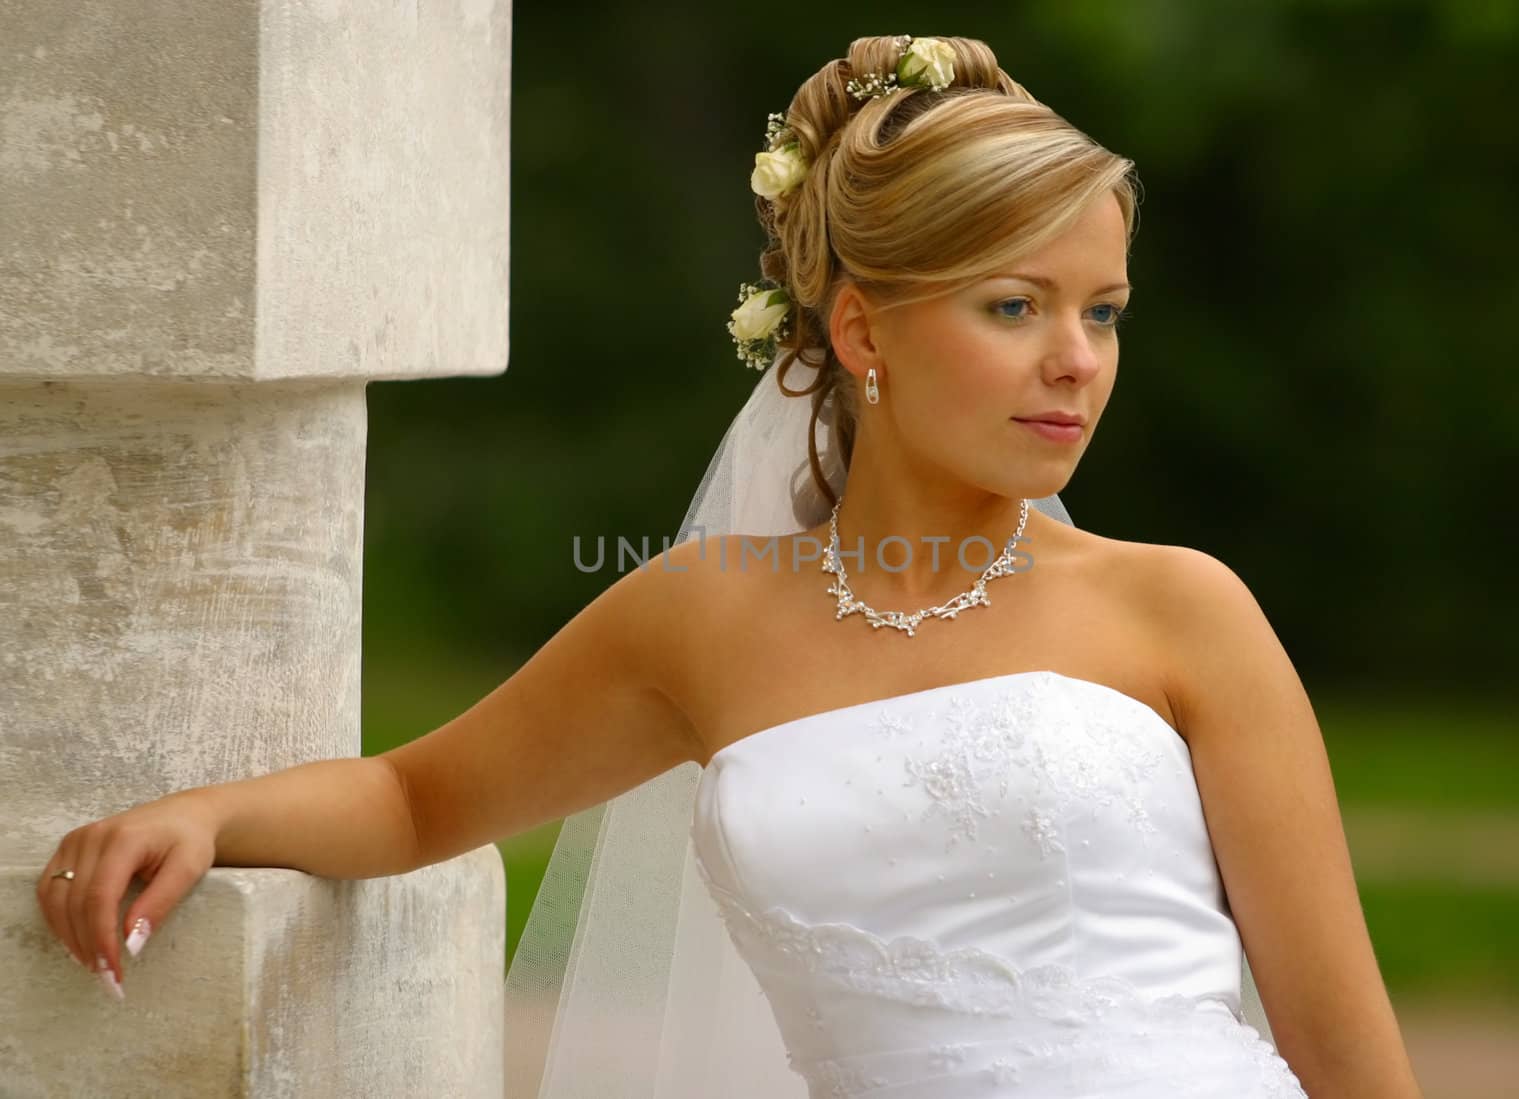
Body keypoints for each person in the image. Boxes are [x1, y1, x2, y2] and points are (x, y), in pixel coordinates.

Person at [37, 33, 1423, 1099]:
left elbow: (1348, 1058)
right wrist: (209, 816)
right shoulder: (700, 619)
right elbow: (414, 799)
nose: (1079, 360)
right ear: (865, 333)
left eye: (1104, 311)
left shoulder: (1180, 609)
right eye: (1016, 306)